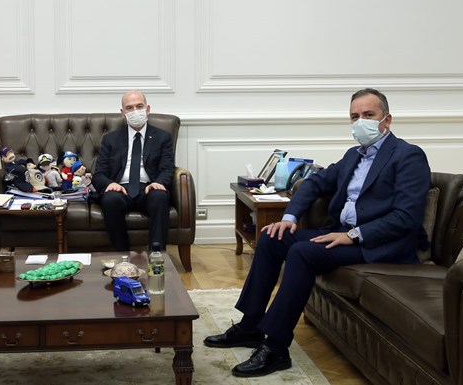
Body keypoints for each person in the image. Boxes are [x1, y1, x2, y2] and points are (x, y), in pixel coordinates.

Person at [203, 88, 431, 378]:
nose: (360, 122)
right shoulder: (353, 156)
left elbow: (406, 217)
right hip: (340, 233)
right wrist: (289, 217)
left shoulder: (408, 156)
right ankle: (250, 327)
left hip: (378, 243)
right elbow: (314, 182)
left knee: (302, 252)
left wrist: (353, 235)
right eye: (354, 117)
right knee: (272, 237)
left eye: (368, 115)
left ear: (387, 120)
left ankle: (276, 347)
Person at [92, 90, 175, 251]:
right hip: (121, 189)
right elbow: (99, 174)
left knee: (160, 196)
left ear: (148, 109)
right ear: (122, 113)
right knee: (109, 200)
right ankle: (123, 255)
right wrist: (110, 184)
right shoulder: (110, 139)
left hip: (148, 188)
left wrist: (159, 182)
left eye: (139, 106)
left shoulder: (162, 137)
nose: (135, 111)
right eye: (129, 108)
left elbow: (167, 168)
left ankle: (156, 255)